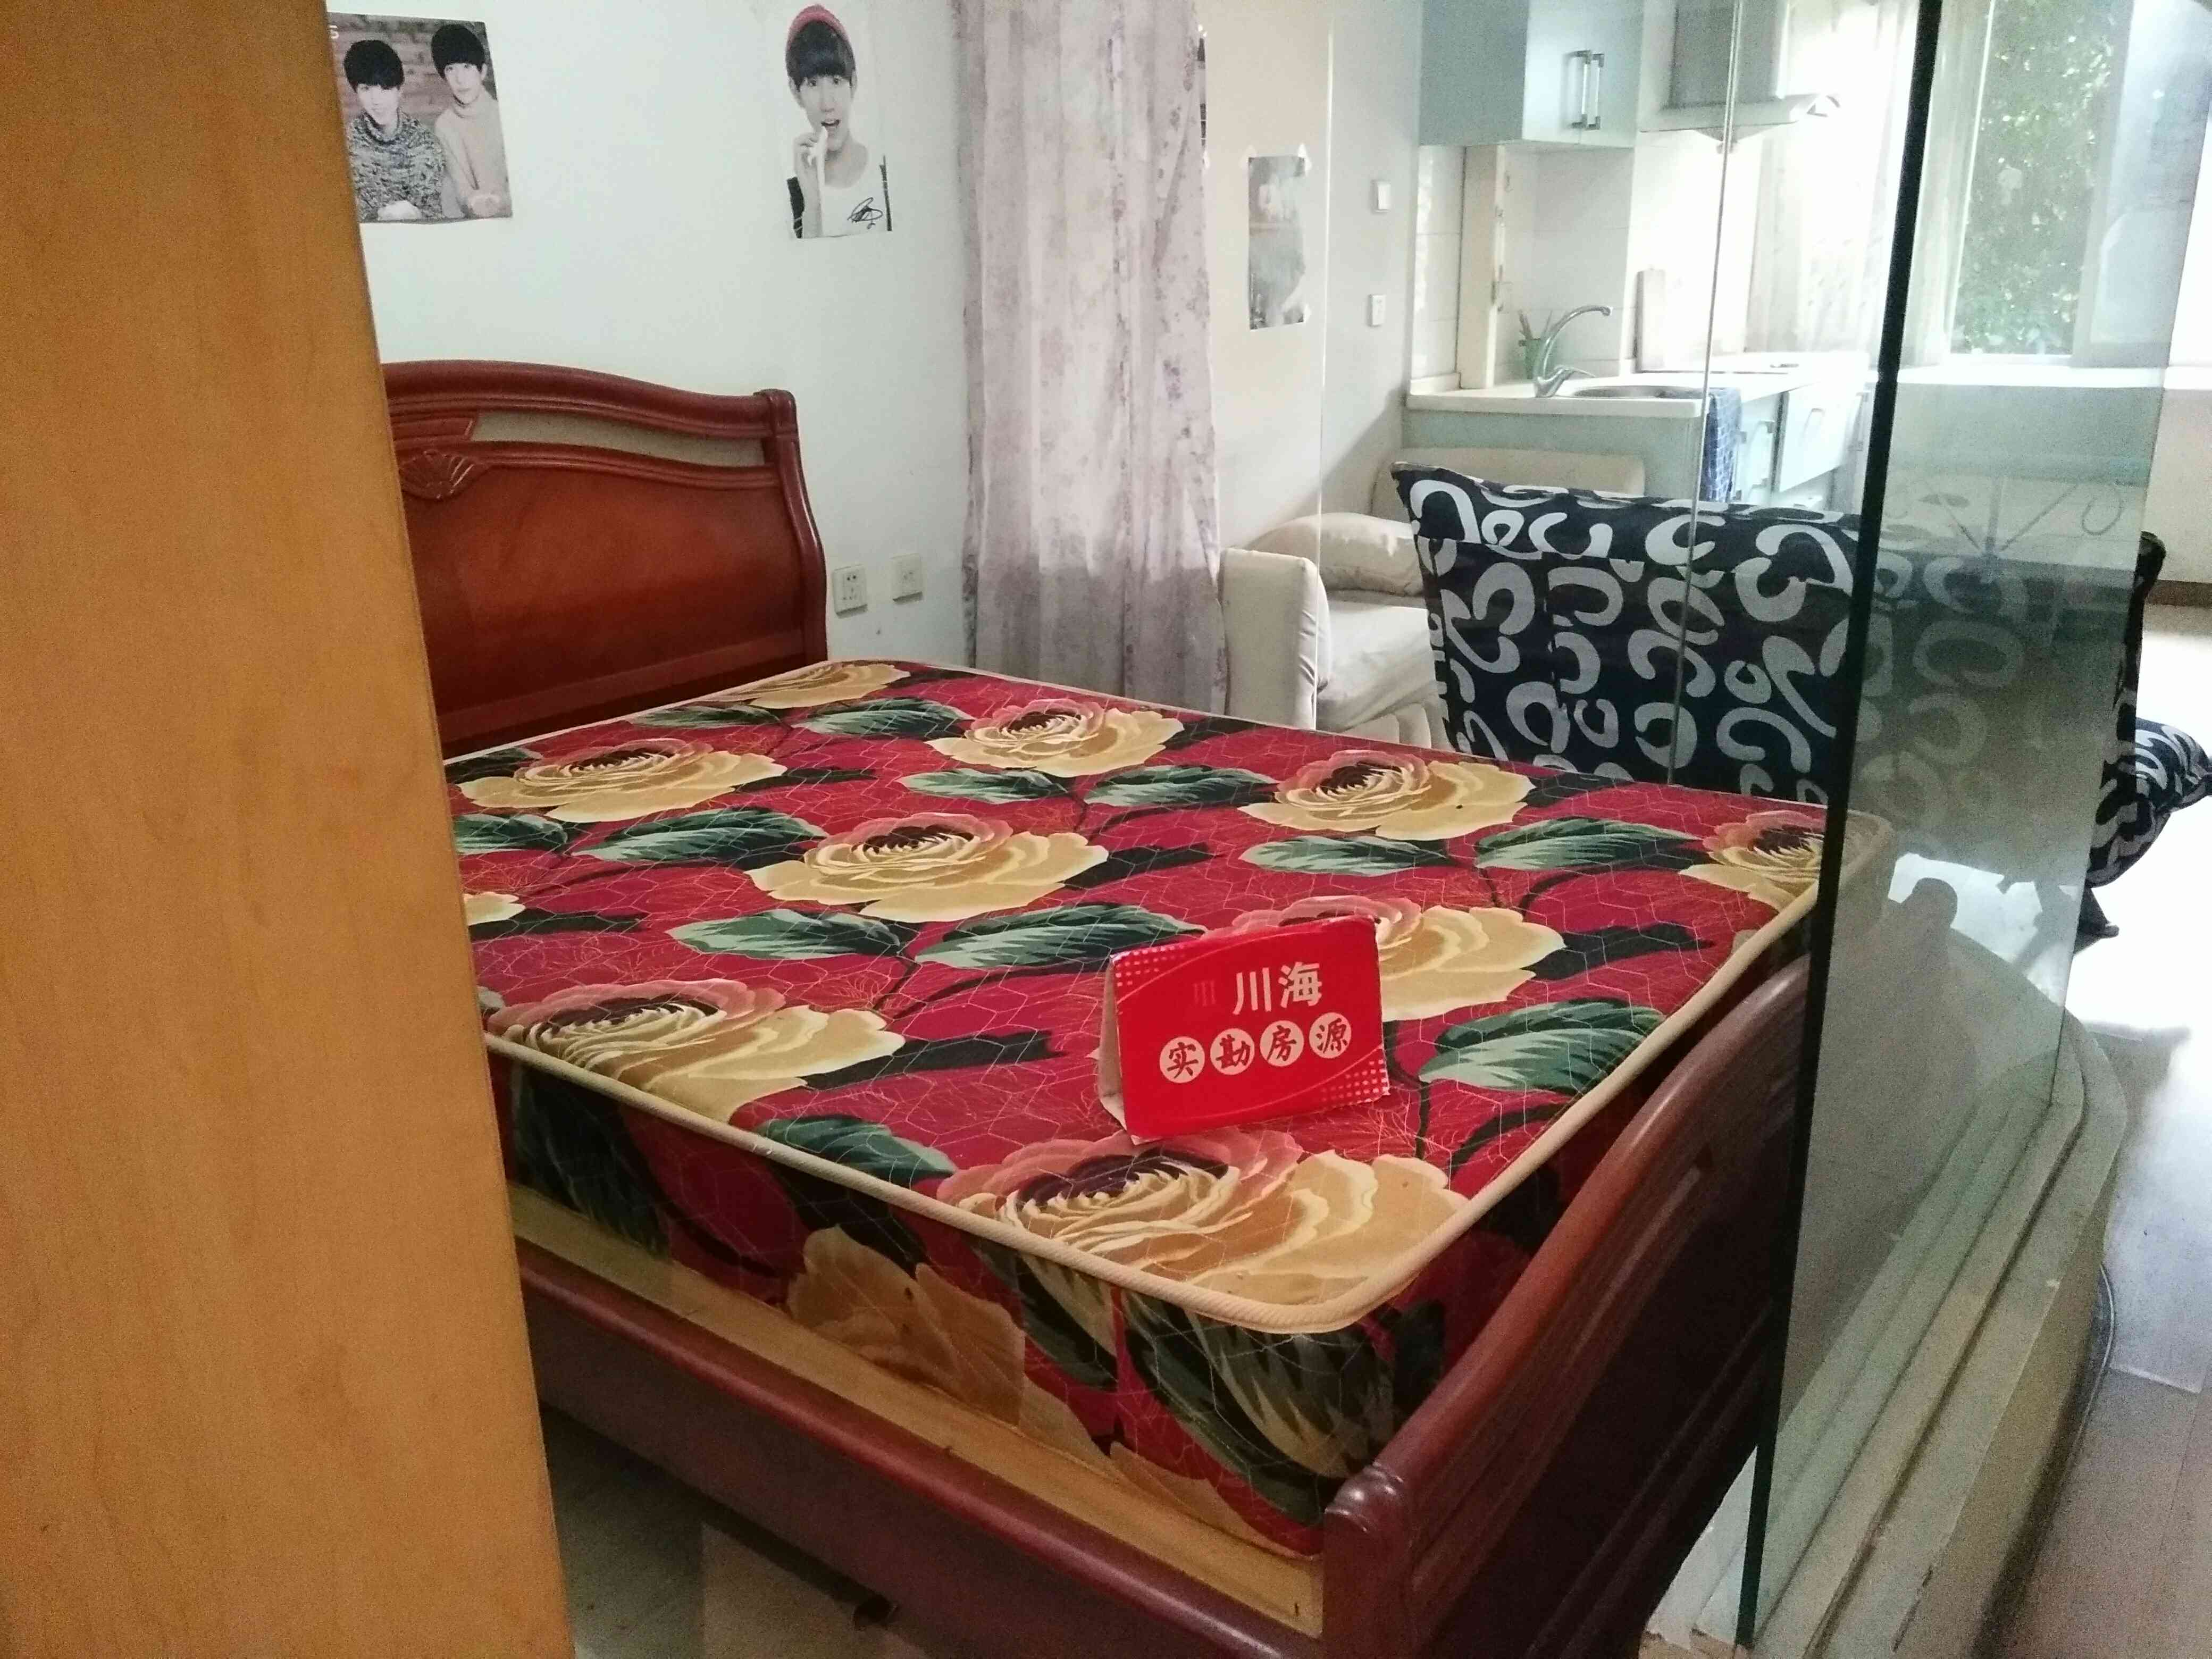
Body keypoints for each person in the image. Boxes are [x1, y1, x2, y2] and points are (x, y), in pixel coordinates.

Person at [784, 7, 890, 238]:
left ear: (854, 83)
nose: (827, 104)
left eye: (836, 80)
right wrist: (812, 207)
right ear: (796, 92)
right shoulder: (793, 198)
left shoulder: (888, 179)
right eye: (813, 83)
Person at [342, 37, 446, 223]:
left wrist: (414, 215)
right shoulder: (346, 143)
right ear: (356, 92)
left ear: (400, 90)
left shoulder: (425, 143)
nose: (376, 100)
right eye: (366, 89)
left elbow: (433, 214)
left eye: (385, 88)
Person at [430, 23, 508, 219]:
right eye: (451, 69)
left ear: (482, 71)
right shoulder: (444, 125)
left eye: (467, 67)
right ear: (444, 76)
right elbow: (461, 190)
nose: (460, 79)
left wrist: (502, 202)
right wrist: (474, 202)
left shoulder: (503, 113)